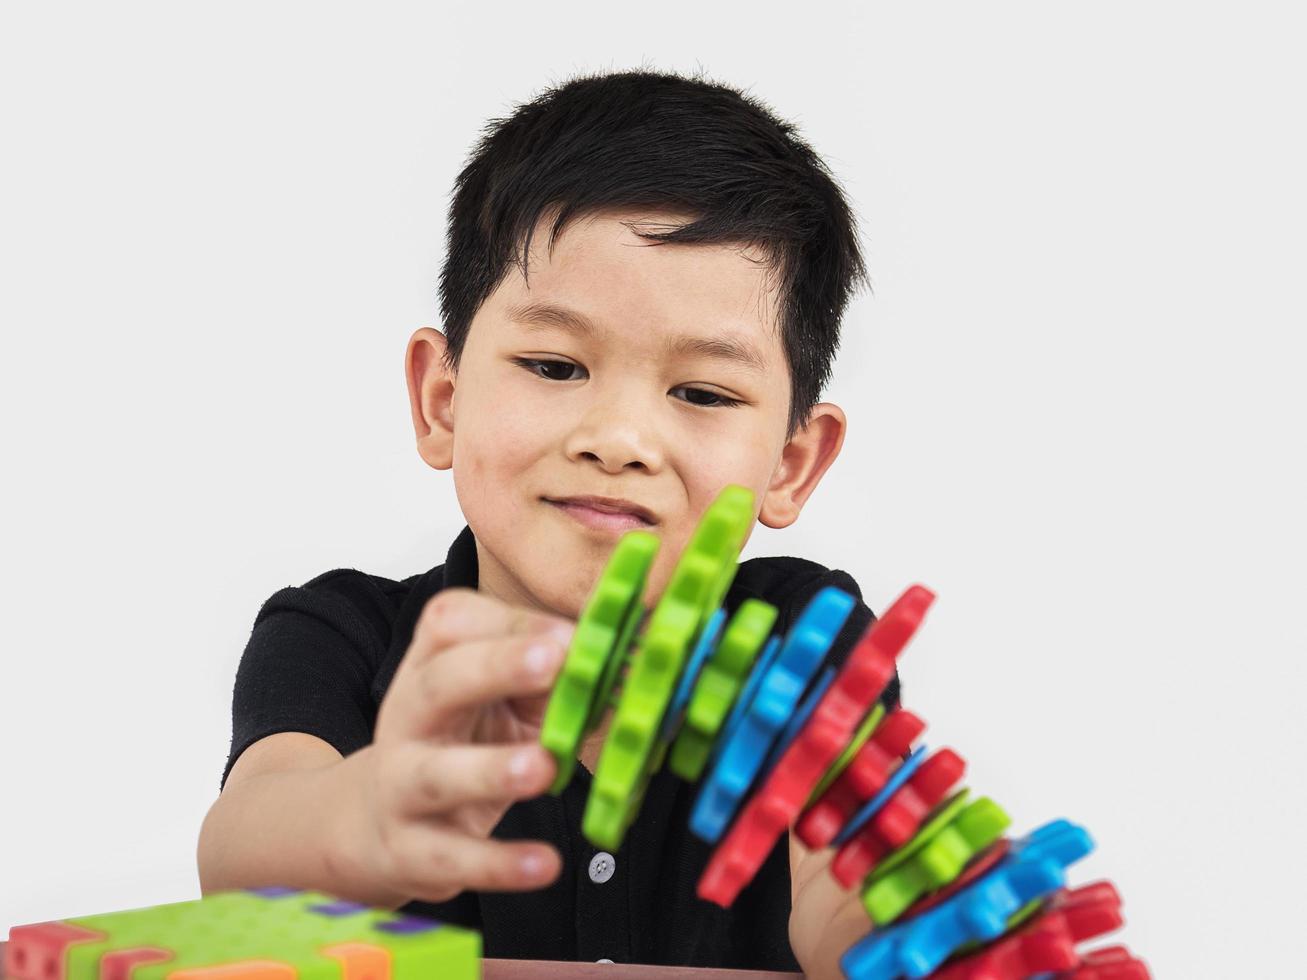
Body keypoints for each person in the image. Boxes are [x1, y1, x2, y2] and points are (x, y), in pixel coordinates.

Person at [197, 67, 901, 977]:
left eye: (701, 391)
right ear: (442, 400)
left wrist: (899, 927)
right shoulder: (338, 633)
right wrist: (368, 819)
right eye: (554, 366)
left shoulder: (802, 638)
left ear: (791, 463)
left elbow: (841, 884)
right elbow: (242, 864)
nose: (616, 439)